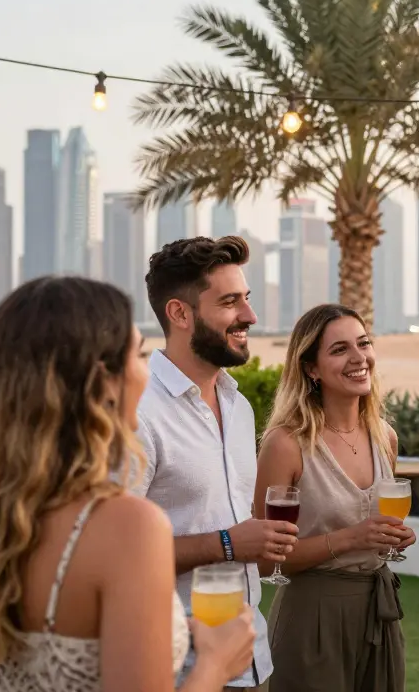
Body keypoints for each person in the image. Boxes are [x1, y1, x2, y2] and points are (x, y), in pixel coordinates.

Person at [0, 276, 255, 691]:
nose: (144, 373)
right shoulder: (129, 527)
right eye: (139, 354)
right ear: (103, 382)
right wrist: (217, 664)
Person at [136, 236, 300, 691]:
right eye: (230, 302)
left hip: (252, 664)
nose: (249, 315)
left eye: (245, 299)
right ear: (180, 313)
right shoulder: (138, 415)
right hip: (175, 671)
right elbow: (113, 555)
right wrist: (228, 543)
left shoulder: (239, 405)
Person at [255, 303, 417, 692]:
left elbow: (375, 528)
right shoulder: (286, 444)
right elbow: (263, 561)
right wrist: (351, 538)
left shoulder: (385, 437)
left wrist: (394, 536)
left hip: (379, 611)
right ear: (311, 368)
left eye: (363, 343)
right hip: (312, 615)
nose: (359, 358)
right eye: (340, 349)